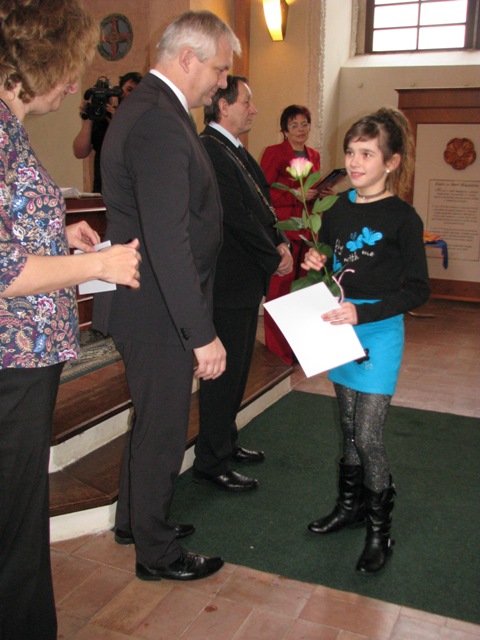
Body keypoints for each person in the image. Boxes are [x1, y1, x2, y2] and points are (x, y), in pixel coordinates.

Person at [0, 2, 142, 638]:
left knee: (18, 514)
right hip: (12, 358)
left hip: (26, 356)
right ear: (39, 59)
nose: (74, 83)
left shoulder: (9, 126)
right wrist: (102, 264)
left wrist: (58, 236)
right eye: (70, 66)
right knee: (13, 520)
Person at [93, 11, 241, 582]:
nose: (222, 82)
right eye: (220, 69)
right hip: (157, 307)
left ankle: (136, 522)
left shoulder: (156, 109)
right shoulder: (157, 119)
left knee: (152, 423)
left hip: (150, 302)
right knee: (162, 431)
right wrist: (200, 333)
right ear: (187, 58)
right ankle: (156, 554)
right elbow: (167, 237)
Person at [302, 107, 430, 574]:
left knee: (369, 435)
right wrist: (314, 261)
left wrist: (365, 311)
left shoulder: (403, 218)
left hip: (378, 329)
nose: (354, 162)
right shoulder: (336, 208)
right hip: (339, 325)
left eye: (367, 154)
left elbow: (419, 289)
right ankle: (349, 507)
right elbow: (328, 258)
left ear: (391, 162)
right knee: (348, 427)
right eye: (351, 152)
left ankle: (380, 531)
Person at [193, 76, 293, 492]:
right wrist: (274, 256)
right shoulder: (210, 150)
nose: (254, 110)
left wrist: (282, 241)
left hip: (244, 279)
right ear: (223, 106)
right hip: (227, 281)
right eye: (246, 102)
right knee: (222, 377)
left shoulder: (233, 149)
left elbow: (262, 207)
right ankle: (210, 461)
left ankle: (226, 442)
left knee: (237, 372)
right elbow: (235, 216)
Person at [260, 105, 330, 365]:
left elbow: (311, 192)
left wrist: (321, 193)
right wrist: (294, 194)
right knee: (279, 294)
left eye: (304, 124)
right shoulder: (274, 153)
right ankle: (277, 355)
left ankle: (297, 350)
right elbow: (263, 192)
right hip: (283, 233)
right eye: (294, 125)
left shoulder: (314, 155)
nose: (300, 129)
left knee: (303, 293)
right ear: (284, 130)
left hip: (307, 232)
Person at [73, 71, 142, 192]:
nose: (131, 95)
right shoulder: (105, 116)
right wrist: (89, 118)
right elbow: (80, 152)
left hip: (128, 189)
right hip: (102, 188)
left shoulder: (141, 119)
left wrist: (116, 121)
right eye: (128, 89)